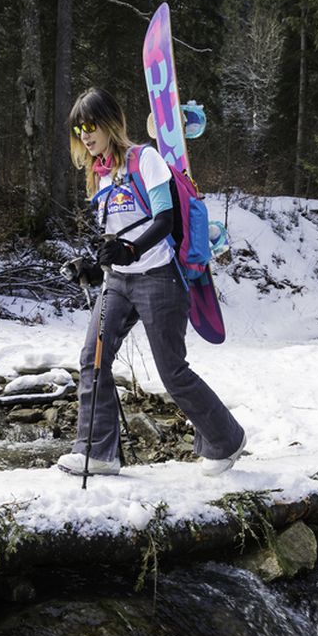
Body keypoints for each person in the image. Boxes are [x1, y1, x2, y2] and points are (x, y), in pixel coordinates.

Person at [57, 87, 246, 478]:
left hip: (159, 278)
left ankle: (227, 440)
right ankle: (98, 454)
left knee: (172, 371)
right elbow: (116, 237)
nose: (86, 136)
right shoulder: (100, 175)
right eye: (79, 130)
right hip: (118, 283)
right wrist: (94, 268)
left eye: (91, 126)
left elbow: (165, 220)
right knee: (93, 359)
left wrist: (129, 251)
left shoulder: (147, 160)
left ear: (111, 123)